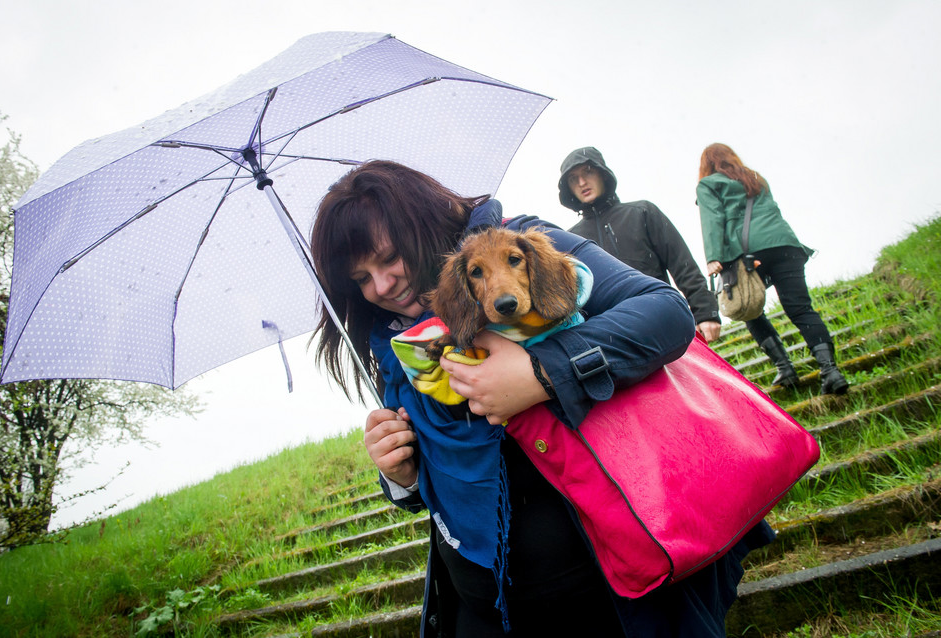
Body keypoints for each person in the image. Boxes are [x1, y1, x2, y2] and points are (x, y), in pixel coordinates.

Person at [310, 160, 773, 637]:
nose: (382, 286)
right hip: (483, 605)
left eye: (388, 259)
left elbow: (665, 312)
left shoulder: (522, 243)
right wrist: (400, 474)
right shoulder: (394, 341)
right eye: (362, 279)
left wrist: (542, 373)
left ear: (420, 224)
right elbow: (436, 474)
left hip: (607, 588)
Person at [695, 143, 849, 395]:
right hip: (785, 244)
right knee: (800, 308)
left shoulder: (709, 184)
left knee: (750, 308)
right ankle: (830, 371)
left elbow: (712, 218)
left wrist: (714, 256)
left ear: (707, 165)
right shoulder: (755, 177)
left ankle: (785, 368)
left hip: (748, 252)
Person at [558, 147, 723, 343]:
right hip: (611, 341)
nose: (582, 182)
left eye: (588, 171)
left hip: (661, 323)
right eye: (573, 178)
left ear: (602, 173)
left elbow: (681, 263)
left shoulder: (642, 212)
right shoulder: (572, 239)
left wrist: (705, 312)